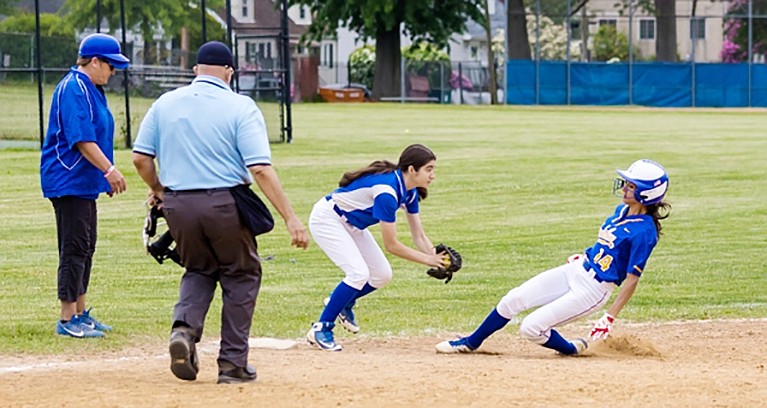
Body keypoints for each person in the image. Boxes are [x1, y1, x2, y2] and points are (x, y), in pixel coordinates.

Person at [132, 41, 309, 384]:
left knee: (198, 269)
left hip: (178, 204)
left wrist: (158, 189)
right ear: (230, 72)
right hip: (224, 203)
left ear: (196, 69)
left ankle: (183, 332)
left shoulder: (165, 102)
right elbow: (259, 168)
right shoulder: (240, 105)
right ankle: (232, 365)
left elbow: (140, 159)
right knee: (241, 274)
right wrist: (290, 217)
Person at [435, 159, 671, 356]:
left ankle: (571, 349)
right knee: (513, 298)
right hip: (578, 269)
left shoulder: (645, 233)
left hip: (593, 290)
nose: (623, 188)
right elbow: (607, 245)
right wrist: (585, 255)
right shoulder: (621, 211)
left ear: (646, 194)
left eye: (631, 185)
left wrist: (609, 317)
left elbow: (632, 279)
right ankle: (471, 342)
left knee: (531, 329)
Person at [306, 144, 448, 351]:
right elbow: (392, 245)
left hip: (353, 225)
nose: (433, 175)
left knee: (382, 275)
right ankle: (321, 328)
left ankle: (341, 302)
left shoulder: (409, 193)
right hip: (328, 219)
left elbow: (419, 235)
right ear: (411, 170)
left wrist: (438, 257)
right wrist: (428, 260)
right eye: (428, 169)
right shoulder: (387, 192)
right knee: (358, 273)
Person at [40, 33, 130, 339]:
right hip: (68, 180)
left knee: (86, 246)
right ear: (94, 61)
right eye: (110, 65)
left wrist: (101, 176)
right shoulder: (74, 88)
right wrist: (109, 170)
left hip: (84, 182)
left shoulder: (92, 88)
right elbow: (81, 139)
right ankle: (67, 318)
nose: (113, 72)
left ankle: (80, 312)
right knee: (74, 247)